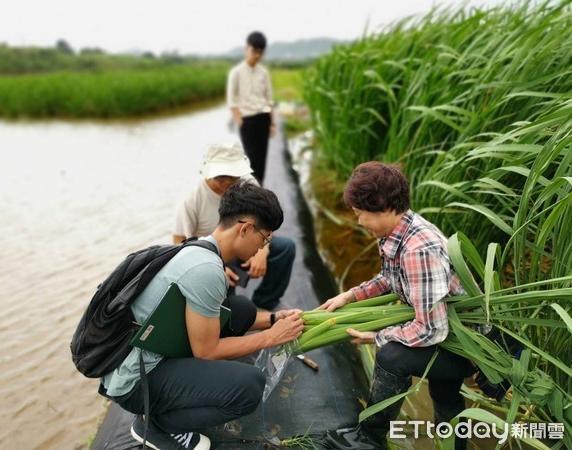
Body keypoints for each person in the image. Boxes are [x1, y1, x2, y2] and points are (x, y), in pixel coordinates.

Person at [99, 180, 305, 450]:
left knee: (239, 309)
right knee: (250, 387)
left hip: (143, 355)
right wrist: (270, 337)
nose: (263, 247)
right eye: (264, 238)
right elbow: (206, 352)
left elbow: (215, 319)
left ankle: (166, 408)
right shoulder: (207, 270)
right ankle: (160, 425)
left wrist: (275, 319)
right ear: (245, 228)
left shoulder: (197, 248)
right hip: (136, 382)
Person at [318, 161, 475, 450]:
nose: (359, 222)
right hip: (453, 331)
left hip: (461, 343)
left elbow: (430, 329)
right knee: (445, 393)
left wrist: (376, 336)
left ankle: (370, 438)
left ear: (383, 206)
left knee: (391, 355)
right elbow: (391, 278)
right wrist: (349, 295)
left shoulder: (418, 249)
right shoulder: (397, 231)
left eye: (361, 214)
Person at [172, 141, 296, 312]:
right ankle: (232, 309)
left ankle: (267, 300)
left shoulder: (247, 184)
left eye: (234, 175)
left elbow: (265, 221)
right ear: (208, 173)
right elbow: (179, 242)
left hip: (247, 241)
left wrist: (262, 252)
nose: (229, 181)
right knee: (228, 306)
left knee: (285, 247)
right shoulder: (192, 200)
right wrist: (215, 267)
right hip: (215, 255)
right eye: (221, 175)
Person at [226, 30, 275, 185]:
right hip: (247, 120)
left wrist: (272, 123)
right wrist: (239, 120)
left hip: (263, 118)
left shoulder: (263, 73)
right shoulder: (236, 73)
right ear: (247, 48)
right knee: (250, 159)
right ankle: (251, 192)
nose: (257, 56)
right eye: (254, 51)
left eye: (261, 52)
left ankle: (259, 191)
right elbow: (232, 100)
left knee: (262, 159)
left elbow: (269, 99)